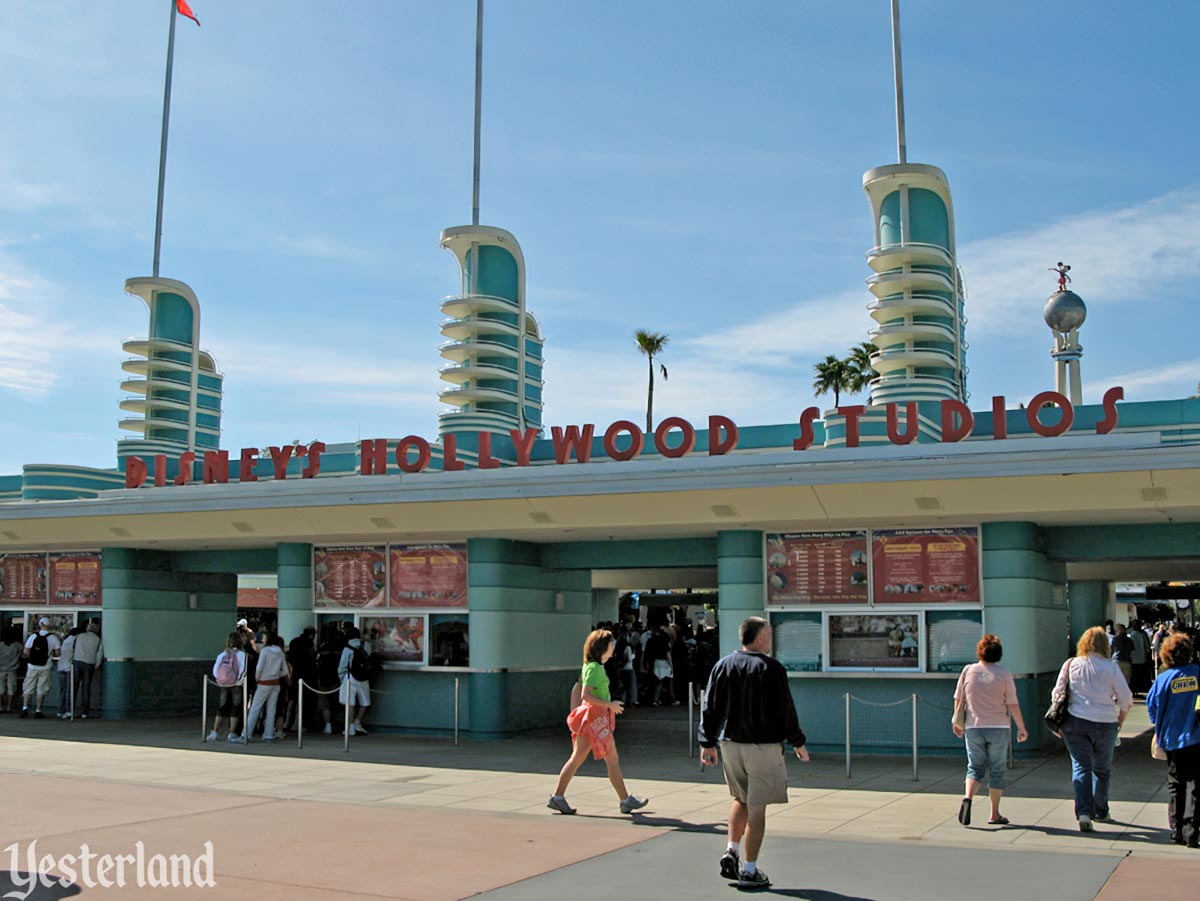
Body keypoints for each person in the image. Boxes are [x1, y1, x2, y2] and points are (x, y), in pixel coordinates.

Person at [699, 617, 809, 890]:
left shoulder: (723, 665)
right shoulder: (772, 668)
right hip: (763, 746)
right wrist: (798, 742)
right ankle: (749, 869)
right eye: (769, 635)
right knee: (758, 806)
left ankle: (731, 850)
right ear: (759, 639)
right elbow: (785, 709)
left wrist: (707, 742)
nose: (771, 640)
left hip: (729, 744)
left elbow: (710, 705)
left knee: (740, 798)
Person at [548, 629, 648, 817]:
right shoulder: (595, 668)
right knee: (607, 758)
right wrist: (609, 704)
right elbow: (586, 694)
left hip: (593, 718)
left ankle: (558, 796)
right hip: (596, 719)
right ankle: (625, 800)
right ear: (602, 647)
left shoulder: (591, 666)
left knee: (582, 757)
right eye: (611, 644)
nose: (613, 647)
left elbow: (580, 690)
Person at [1052, 626, 1133, 831]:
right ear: (1106, 645)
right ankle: (1100, 810)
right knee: (1102, 769)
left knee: (1081, 767)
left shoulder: (1070, 664)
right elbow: (1126, 700)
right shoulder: (1111, 668)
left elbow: (1058, 694)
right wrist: (1119, 722)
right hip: (1105, 722)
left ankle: (1084, 812)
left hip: (1075, 721)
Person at [951, 634, 1028, 827]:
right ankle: (994, 813)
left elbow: (958, 698)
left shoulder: (968, 671)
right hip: (999, 727)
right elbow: (1012, 704)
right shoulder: (1004, 674)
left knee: (974, 767)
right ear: (999, 654)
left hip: (973, 726)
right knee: (997, 770)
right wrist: (1021, 727)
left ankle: (968, 797)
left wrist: (956, 722)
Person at [1146, 632, 1200, 847]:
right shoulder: (1197, 674)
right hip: (1196, 737)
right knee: (1195, 784)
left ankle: (1176, 830)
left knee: (1175, 783)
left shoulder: (1163, 679)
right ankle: (1191, 831)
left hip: (1172, 738)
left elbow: (1152, 708)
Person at [242, 632, 289, 742]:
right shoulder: (280, 652)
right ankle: (268, 734)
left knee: (255, 708)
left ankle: (246, 734)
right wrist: (276, 674)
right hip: (275, 683)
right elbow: (285, 670)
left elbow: (259, 667)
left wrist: (257, 678)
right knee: (271, 710)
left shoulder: (265, 651)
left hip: (263, 683)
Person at [208, 632, 247, 743]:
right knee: (235, 708)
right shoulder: (242, 655)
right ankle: (231, 733)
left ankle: (215, 731)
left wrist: (219, 680)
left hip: (224, 684)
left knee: (222, 707)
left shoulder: (223, 654)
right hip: (236, 685)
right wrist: (239, 680)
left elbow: (215, 670)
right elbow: (243, 670)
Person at [20, 617, 62, 719]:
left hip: (32, 666)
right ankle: (38, 710)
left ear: (40, 625)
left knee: (28, 687)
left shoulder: (33, 636)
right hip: (46, 666)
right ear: (49, 626)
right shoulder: (54, 638)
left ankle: (25, 708)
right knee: (42, 689)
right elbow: (58, 653)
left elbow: (26, 652)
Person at [337, 626, 372, 736]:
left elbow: (342, 667)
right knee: (365, 702)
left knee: (350, 703)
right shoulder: (366, 645)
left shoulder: (347, 648)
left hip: (350, 678)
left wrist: (342, 679)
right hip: (364, 678)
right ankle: (358, 722)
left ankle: (350, 728)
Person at [71, 621, 104, 719]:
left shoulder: (79, 636)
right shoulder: (98, 639)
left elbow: (72, 648)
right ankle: (85, 711)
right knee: (86, 687)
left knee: (74, 686)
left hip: (77, 661)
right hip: (90, 663)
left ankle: (71, 709)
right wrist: (96, 666)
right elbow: (99, 655)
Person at [56, 627, 78, 719]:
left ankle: (60, 710)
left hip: (61, 666)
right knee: (69, 690)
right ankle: (68, 710)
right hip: (69, 667)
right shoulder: (75, 641)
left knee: (62, 690)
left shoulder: (66, 640)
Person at [0, 627, 23, 714]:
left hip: (1, 669)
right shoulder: (17, 645)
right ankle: (9, 707)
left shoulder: (0, 645)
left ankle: (1, 706)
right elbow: (24, 653)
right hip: (12, 670)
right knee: (11, 688)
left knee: (0, 688)